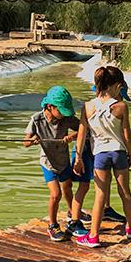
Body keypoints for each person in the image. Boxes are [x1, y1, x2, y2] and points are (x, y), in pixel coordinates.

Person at [72, 66, 131, 248]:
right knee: (125, 192)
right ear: (116, 85)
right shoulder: (121, 106)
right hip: (118, 153)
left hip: (100, 154)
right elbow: (126, 135)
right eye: (120, 87)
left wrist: (78, 157)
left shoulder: (87, 107)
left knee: (100, 195)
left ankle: (93, 236)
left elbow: (81, 134)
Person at [23, 86, 92, 241]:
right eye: (61, 110)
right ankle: (52, 225)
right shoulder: (36, 119)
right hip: (48, 163)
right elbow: (25, 142)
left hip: (63, 161)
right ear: (49, 106)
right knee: (56, 194)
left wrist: (72, 136)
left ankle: (71, 212)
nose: (63, 114)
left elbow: (83, 130)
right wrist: (32, 141)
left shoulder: (66, 119)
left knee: (68, 187)